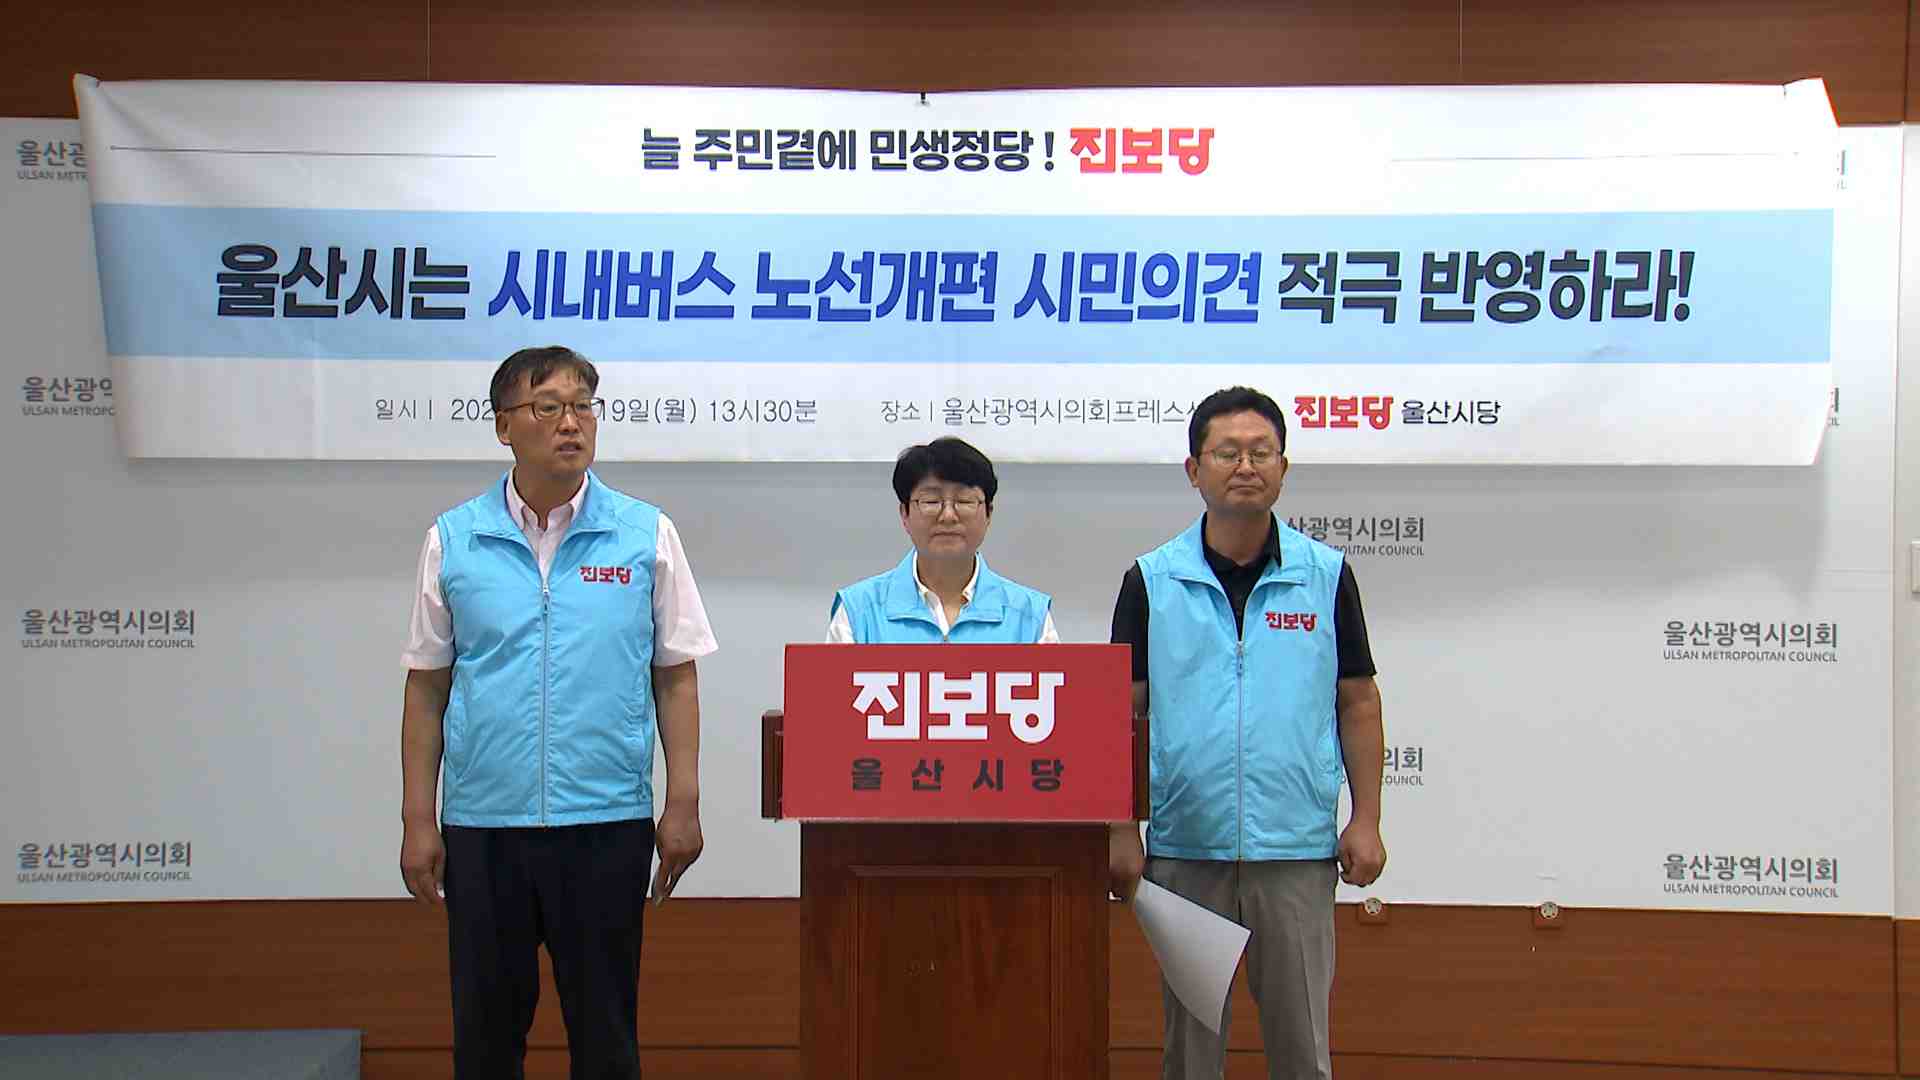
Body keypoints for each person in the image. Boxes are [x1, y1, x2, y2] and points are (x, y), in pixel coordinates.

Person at [397, 345, 717, 1080]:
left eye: (582, 407)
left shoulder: (644, 533)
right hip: (484, 827)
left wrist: (684, 801)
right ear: (503, 426)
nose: (571, 424)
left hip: (606, 821)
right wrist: (418, 818)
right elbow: (427, 687)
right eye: (548, 407)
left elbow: (676, 675)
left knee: (606, 1040)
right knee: (486, 1041)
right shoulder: (455, 539)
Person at [1108, 386, 1385, 1080]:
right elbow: (1120, 714)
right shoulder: (1151, 580)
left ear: (1283, 469)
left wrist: (1366, 819)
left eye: (1261, 452)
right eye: (1226, 452)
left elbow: (1357, 702)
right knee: (1191, 1054)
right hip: (1185, 851)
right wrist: (1119, 830)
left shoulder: (1325, 576)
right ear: (1193, 469)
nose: (1245, 466)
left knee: (1302, 1051)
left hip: (1295, 853)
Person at [828, 436, 1056, 644]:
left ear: (988, 513)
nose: (948, 515)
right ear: (905, 514)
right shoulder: (857, 613)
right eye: (931, 501)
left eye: (964, 501)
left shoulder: (1031, 618)